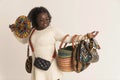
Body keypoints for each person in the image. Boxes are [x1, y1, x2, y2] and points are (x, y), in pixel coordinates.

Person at [9, 6, 99, 80]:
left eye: (47, 19)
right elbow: (23, 41)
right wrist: (14, 31)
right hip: (37, 67)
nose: (45, 22)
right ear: (35, 20)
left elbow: (68, 38)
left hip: (51, 67)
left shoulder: (53, 31)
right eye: (41, 20)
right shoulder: (32, 32)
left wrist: (86, 36)